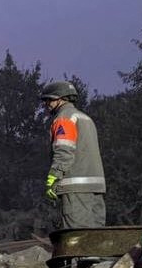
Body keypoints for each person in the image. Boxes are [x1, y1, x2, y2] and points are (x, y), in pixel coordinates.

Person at [41, 80, 106, 229]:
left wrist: (52, 178)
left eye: (49, 100)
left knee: (78, 237)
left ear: (61, 99)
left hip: (76, 189)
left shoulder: (64, 119)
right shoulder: (85, 118)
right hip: (96, 187)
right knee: (96, 236)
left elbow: (64, 151)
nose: (46, 104)